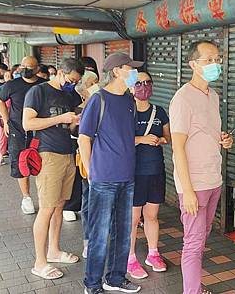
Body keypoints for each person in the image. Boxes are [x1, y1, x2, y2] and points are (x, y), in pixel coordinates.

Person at [169, 40, 233, 294]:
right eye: (209, 60)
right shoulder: (182, 99)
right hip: (194, 184)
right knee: (193, 244)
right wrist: (188, 191)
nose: (215, 64)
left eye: (218, 59)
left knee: (201, 238)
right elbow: (178, 148)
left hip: (213, 178)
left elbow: (208, 133)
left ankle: (194, 286)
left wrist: (225, 139)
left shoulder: (213, 95)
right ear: (193, 64)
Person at [78, 52, 142, 294]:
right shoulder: (98, 99)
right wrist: (91, 171)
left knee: (123, 233)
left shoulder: (129, 101)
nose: (134, 73)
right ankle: (92, 284)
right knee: (100, 234)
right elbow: (84, 138)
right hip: (103, 178)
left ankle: (115, 278)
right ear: (117, 71)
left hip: (127, 177)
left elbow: (126, 137)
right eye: (130, 68)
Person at [23, 58, 83, 280]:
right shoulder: (38, 92)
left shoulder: (67, 95)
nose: (72, 85)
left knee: (59, 206)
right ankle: (39, 262)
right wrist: (60, 117)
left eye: (75, 82)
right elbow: (28, 123)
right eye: (70, 80)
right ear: (59, 73)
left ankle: (54, 250)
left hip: (67, 153)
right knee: (46, 209)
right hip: (48, 155)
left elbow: (65, 125)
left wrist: (74, 121)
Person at [127, 71, 171, 279]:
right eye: (139, 83)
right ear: (130, 86)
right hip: (133, 171)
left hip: (155, 170)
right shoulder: (126, 111)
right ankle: (130, 258)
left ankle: (153, 253)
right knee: (133, 218)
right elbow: (118, 139)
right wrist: (141, 140)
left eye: (147, 82)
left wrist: (160, 140)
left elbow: (168, 137)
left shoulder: (159, 111)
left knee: (152, 216)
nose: (144, 86)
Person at [0, 56, 46, 215]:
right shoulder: (11, 85)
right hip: (17, 131)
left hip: (41, 131)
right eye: (23, 66)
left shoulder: (43, 85)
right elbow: (0, 101)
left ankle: (44, 196)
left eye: (30, 67)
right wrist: (5, 121)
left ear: (37, 68)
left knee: (43, 163)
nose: (25, 69)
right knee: (20, 163)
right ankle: (26, 198)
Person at [63, 69, 99, 223]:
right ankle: (73, 209)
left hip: (100, 153)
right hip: (81, 151)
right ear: (83, 89)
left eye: (96, 83)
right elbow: (72, 131)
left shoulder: (101, 105)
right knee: (83, 185)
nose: (95, 86)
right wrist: (74, 123)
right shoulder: (77, 108)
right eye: (91, 84)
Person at [0, 70, 14, 167]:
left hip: (15, 117)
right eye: (6, 76)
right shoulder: (1, 89)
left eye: (9, 76)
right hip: (4, 118)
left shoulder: (16, 89)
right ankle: (1, 157)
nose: (7, 77)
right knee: (2, 137)